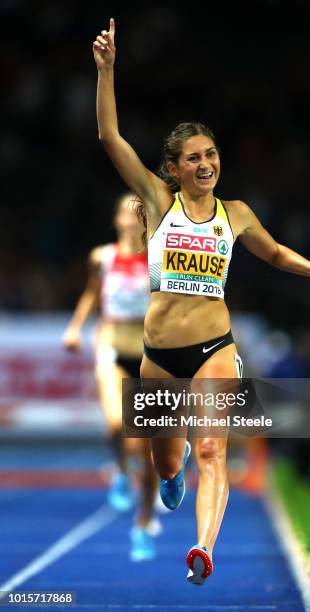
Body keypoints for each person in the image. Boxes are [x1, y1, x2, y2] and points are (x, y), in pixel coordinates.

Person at [92, 17, 310, 585]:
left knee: (213, 450)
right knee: (169, 459)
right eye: (193, 158)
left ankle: (203, 548)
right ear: (174, 169)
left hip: (215, 348)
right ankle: (168, 475)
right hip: (159, 355)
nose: (206, 163)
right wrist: (107, 72)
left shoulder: (236, 214)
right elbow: (111, 138)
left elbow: (277, 253)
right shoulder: (159, 204)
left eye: (211, 154)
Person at [63, 192, 160, 562]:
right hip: (112, 347)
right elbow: (91, 294)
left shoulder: (159, 258)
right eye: (127, 212)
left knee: (152, 452)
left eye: (140, 213)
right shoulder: (101, 257)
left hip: (151, 355)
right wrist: (74, 328)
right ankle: (121, 469)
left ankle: (145, 523)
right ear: (118, 220)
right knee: (116, 424)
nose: (133, 219)